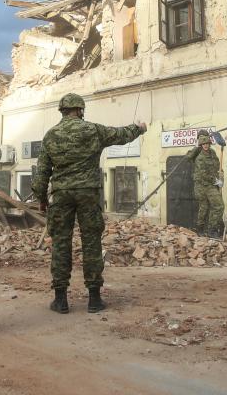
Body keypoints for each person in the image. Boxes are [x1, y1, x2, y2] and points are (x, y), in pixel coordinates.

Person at [32, 93, 146, 314]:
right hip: (88, 194)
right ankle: (94, 299)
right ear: (80, 110)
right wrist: (139, 128)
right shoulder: (93, 130)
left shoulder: (50, 136)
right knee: (91, 242)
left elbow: (41, 174)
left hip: (62, 195)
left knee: (61, 244)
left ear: (62, 111)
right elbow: (121, 135)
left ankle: (61, 300)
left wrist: (42, 200)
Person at [187, 129, 224, 238]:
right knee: (205, 207)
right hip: (202, 186)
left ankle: (212, 228)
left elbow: (217, 166)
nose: (206, 145)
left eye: (207, 143)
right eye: (203, 143)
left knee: (217, 206)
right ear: (200, 143)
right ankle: (204, 229)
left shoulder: (212, 153)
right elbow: (204, 174)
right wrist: (216, 181)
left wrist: (221, 177)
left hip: (212, 184)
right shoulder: (199, 156)